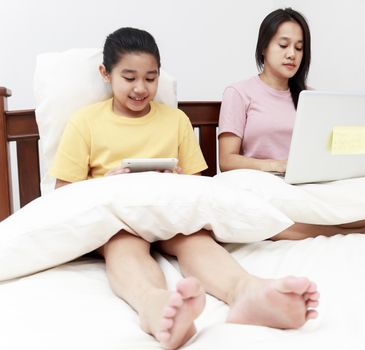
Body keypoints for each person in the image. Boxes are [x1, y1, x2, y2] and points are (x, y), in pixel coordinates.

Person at [51, 27, 319, 350]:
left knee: (196, 239)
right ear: (105, 74)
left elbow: (199, 189)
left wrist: (177, 179)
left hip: (167, 213)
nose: (141, 88)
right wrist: (109, 185)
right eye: (129, 78)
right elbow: (64, 194)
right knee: (124, 245)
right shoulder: (85, 122)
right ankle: (153, 304)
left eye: (150, 79)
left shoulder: (175, 120)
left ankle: (246, 291)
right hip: (117, 219)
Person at [218, 8, 365, 240]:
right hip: (265, 184)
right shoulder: (239, 93)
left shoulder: (310, 97)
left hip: (305, 187)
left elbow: (325, 150)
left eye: (299, 47)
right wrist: (276, 165)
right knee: (259, 215)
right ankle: (356, 227)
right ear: (264, 47)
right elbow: (226, 160)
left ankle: (342, 223)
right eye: (283, 45)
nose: (292, 54)